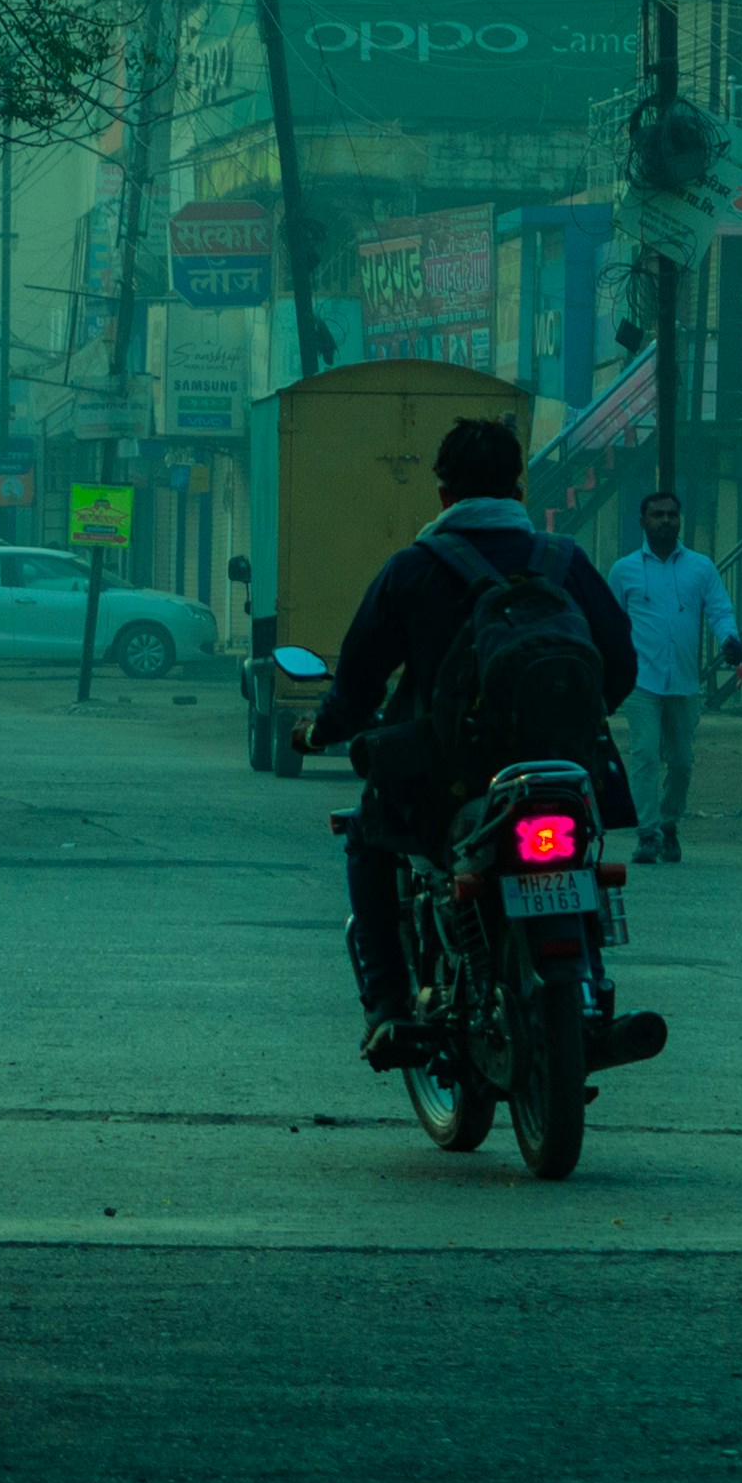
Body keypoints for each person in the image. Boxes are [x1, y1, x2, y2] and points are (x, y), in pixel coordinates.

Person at [306, 416, 646, 1074]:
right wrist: (564, 725)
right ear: (516, 487)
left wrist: (320, 728)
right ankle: (593, 997)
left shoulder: (411, 568)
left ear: (442, 494)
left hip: (446, 782)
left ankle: (388, 1008)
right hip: (557, 774)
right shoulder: (563, 560)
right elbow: (620, 667)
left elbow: (354, 685)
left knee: (366, 845)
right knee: (578, 866)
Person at [606, 490, 742, 865]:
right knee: (645, 754)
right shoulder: (624, 571)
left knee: (681, 762)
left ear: (679, 520)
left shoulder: (701, 568)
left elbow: (720, 611)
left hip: (684, 682)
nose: (665, 521)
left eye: (671, 515)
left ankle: (669, 824)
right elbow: (610, 624)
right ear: (643, 521)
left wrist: (730, 640)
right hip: (641, 682)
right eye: (657, 515)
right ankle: (647, 834)